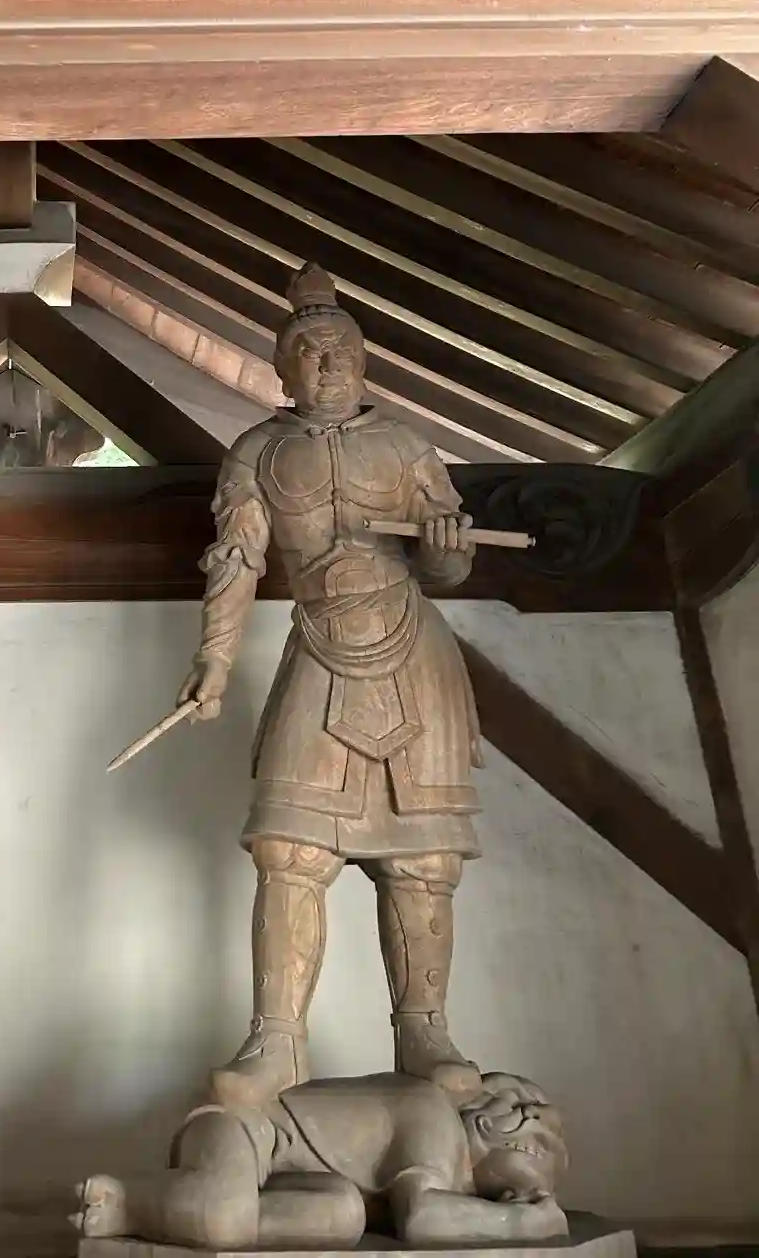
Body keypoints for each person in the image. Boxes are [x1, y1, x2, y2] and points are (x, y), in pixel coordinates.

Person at [179, 263, 481, 1106]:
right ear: (283, 371)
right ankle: (276, 1040)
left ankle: (425, 1031)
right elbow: (236, 560)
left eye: (341, 348)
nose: (328, 363)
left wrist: (447, 547)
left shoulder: (408, 445)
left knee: (423, 858)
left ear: (364, 358)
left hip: (414, 650)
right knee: (290, 848)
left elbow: (449, 568)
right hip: (317, 643)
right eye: (309, 352)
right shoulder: (258, 452)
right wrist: (214, 658)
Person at [75, 1071, 567, 1251]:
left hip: (293, 1180)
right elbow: (422, 1219)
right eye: (524, 1105)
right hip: (243, 1128)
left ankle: (181, 1206)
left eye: (541, 1141)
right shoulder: (435, 1114)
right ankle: (129, 1201)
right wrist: (525, 1223)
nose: (531, 1115)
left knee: (344, 1215)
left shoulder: (455, 1174)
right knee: (224, 1217)